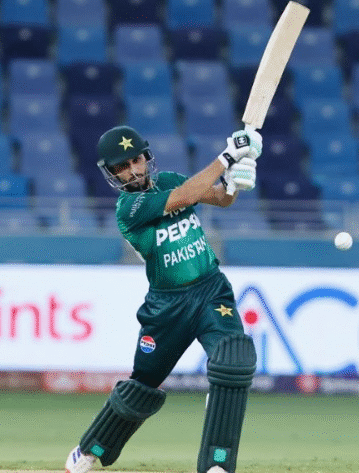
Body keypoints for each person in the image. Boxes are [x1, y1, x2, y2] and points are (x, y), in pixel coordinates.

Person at [64, 125, 262, 473]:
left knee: (233, 362)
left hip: (211, 290)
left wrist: (234, 181)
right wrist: (227, 157)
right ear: (112, 174)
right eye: (122, 167)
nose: (133, 170)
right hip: (167, 307)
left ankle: (217, 464)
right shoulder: (129, 208)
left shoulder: (168, 179)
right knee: (143, 385)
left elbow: (219, 198)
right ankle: (90, 449)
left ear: (146, 157)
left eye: (136, 160)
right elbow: (185, 196)